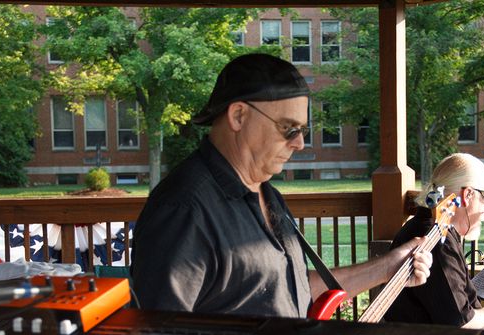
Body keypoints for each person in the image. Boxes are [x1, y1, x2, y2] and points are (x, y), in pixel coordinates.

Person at [131, 53, 432, 317]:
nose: (299, 143)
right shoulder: (183, 208)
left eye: (302, 130)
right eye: (288, 128)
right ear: (238, 116)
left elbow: (289, 291)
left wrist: (387, 268)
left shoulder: (268, 195)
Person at [383, 153, 484, 330]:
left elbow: (462, 312)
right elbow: (461, 323)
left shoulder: (430, 228)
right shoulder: (435, 240)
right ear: (467, 195)